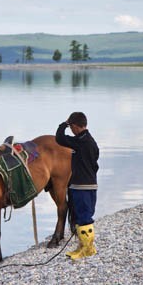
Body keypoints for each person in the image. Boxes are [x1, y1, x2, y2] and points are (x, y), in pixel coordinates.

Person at [55, 111, 99, 259]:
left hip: (82, 186)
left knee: (84, 217)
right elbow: (95, 164)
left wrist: (64, 124)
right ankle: (85, 246)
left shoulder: (80, 141)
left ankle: (87, 249)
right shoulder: (91, 141)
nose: (71, 131)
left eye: (72, 127)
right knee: (84, 216)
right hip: (90, 184)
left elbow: (59, 138)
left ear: (74, 126)